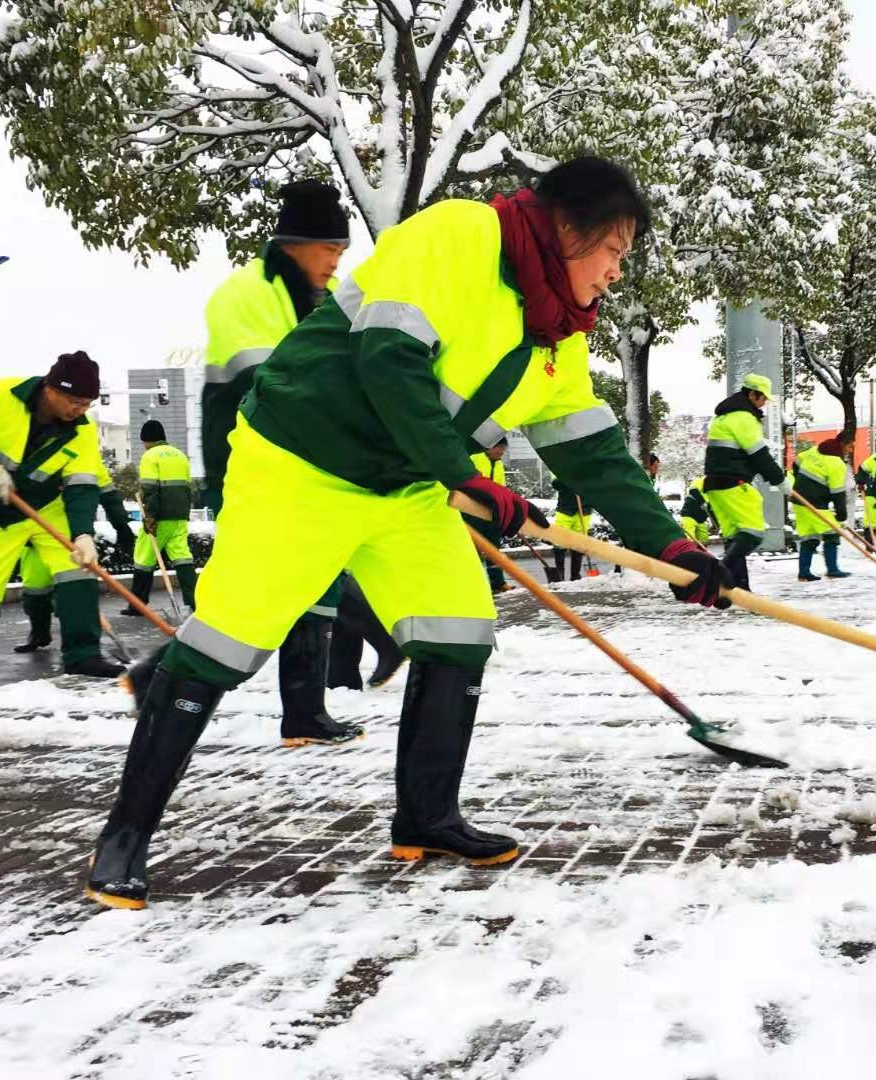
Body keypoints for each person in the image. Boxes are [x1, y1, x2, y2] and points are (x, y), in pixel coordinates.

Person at [85, 156, 733, 909]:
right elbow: (389, 360)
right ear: (568, 226)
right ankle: (124, 836)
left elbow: (593, 452)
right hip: (302, 465)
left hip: (408, 488)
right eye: (614, 250)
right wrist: (463, 475)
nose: (617, 272)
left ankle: (426, 817)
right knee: (226, 644)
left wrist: (673, 548)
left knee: (458, 631)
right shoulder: (462, 234)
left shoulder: (557, 337)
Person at [165, 177, 363, 750]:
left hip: (315, 465)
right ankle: (159, 681)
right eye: (329, 249)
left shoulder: (331, 299)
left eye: (342, 251)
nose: (336, 262)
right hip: (251, 465)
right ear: (294, 243)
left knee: (316, 584)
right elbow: (272, 382)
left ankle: (305, 712)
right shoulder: (244, 294)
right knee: (251, 593)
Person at [0, 351, 125, 691]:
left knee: (78, 569)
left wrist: (83, 534)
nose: (80, 411)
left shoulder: (82, 429)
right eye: (75, 402)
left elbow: (82, 485)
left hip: (46, 506)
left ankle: (83, 655)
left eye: (87, 404)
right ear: (51, 389)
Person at [15, 460, 136, 653]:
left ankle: (81, 650)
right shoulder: (25, 455)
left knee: (73, 592)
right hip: (33, 538)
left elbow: (108, 495)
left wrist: (121, 525)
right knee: (34, 591)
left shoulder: (84, 458)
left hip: (70, 539)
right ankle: (39, 633)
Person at [703, 373, 786, 590]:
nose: (764, 402)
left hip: (716, 485)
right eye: (762, 397)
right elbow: (758, 454)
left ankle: (738, 589)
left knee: (735, 538)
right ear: (752, 394)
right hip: (733, 484)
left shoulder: (724, 417)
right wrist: (780, 480)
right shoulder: (743, 417)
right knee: (752, 533)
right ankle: (717, 574)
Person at [119, 420, 198, 612]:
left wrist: (150, 517)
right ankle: (194, 602)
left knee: (143, 557)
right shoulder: (180, 455)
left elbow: (150, 490)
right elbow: (187, 489)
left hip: (159, 516)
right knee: (182, 556)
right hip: (180, 516)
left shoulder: (150, 456)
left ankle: (138, 605)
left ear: (146, 439)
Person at [793, 435, 851, 580]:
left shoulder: (813, 451)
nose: (850, 450)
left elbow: (796, 462)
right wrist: (841, 515)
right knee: (832, 533)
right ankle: (833, 570)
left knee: (809, 537)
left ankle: (804, 573)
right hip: (814, 503)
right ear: (842, 444)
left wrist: (800, 481)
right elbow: (838, 493)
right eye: (850, 446)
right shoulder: (836, 463)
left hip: (798, 499)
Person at [463, 438, 512, 593]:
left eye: (503, 449)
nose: (501, 452)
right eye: (499, 448)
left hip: (492, 513)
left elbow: (502, 488)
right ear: (489, 446)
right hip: (472, 512)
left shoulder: (499, 464)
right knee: (473, 549)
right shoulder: (474, 458)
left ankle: (498, 583)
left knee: (494, 549)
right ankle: (474, 584)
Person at [551, 477, 594, 580]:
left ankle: (575, 575)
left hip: (584, 511)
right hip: (565, 510)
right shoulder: (564, 470)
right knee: (559, 543)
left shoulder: (592, 472)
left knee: (578, 544)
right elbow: (555, 484)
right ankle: (560, 575)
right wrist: (569, 480)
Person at [679, 479, 715, 545]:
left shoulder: (713, 495)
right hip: (689, 516)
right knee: (690, 539)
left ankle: (701, 550)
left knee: (704, 540)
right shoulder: (701, 481)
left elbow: (712, 511)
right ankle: (690, 550)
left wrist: (716, 525)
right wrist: (703, 501)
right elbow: (693, 490)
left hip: (701, 519)